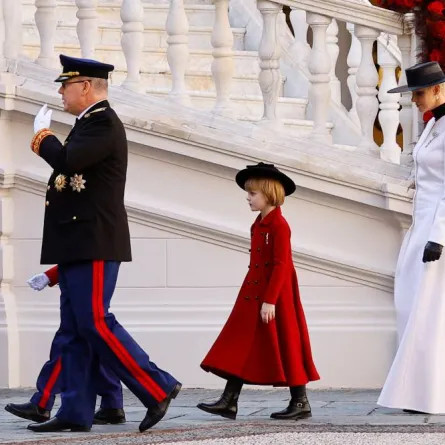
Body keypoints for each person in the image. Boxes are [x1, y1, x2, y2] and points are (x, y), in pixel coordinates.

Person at [26, 54, 181, 433]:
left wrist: (41, 138)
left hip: (93, 241)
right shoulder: (87, 124)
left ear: (86, 87)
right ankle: (75, 411)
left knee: (95, 322)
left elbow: (66, 161)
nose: (61, 92)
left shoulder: (102, 124)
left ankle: (156, 387)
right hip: (78, 242)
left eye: (66, 85)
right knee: (77, 330)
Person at [197, 162, 320, 420]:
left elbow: (281, 265)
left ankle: (300, 402)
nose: (247, 197)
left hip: (275, 294)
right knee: (242, 342)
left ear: (269, 193)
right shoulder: (259, 223)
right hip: (253, 292)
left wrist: (270, 300)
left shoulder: (279, 225)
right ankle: (229, 400)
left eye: (253, 193)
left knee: (287, 341)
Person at [378, 61, 445, 414]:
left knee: (429, 311)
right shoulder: (435, 126)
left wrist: (439, 235)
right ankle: (419, 391)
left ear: (438, 89)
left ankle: (425, 394)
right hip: (420, 227)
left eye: (418, 93)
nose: (414, 100)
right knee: (409, 304)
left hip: (437, 232)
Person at [5, 266, 126, 425]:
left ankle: (42, 403)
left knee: (68, 341)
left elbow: (80, 249)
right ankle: (112, 404)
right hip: (88, 268)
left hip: (81, 272)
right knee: (93, 342)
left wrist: (53, 274)